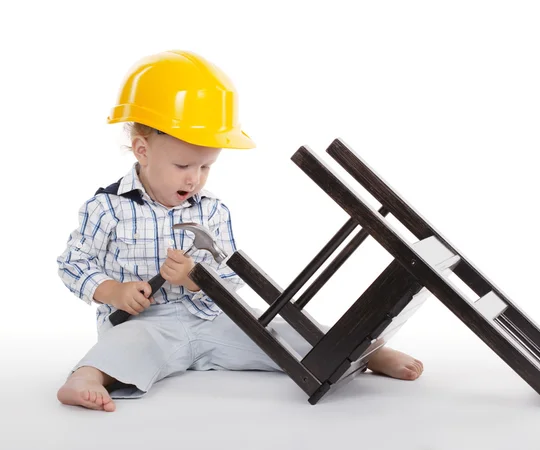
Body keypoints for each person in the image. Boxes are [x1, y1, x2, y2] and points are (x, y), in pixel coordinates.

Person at [56, 50, 424, 412]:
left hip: (213, 318)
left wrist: (194, 278)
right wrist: (113, 291)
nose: (194, 178)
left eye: (205, 167)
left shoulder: (212, 209)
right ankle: (85, 378)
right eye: (183, 164)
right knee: (126, 345)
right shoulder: (106, 208)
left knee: (276, 332)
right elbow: (73, 264)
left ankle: (364, 352)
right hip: (148, 323)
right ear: (142, 150)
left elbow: (229, 277)